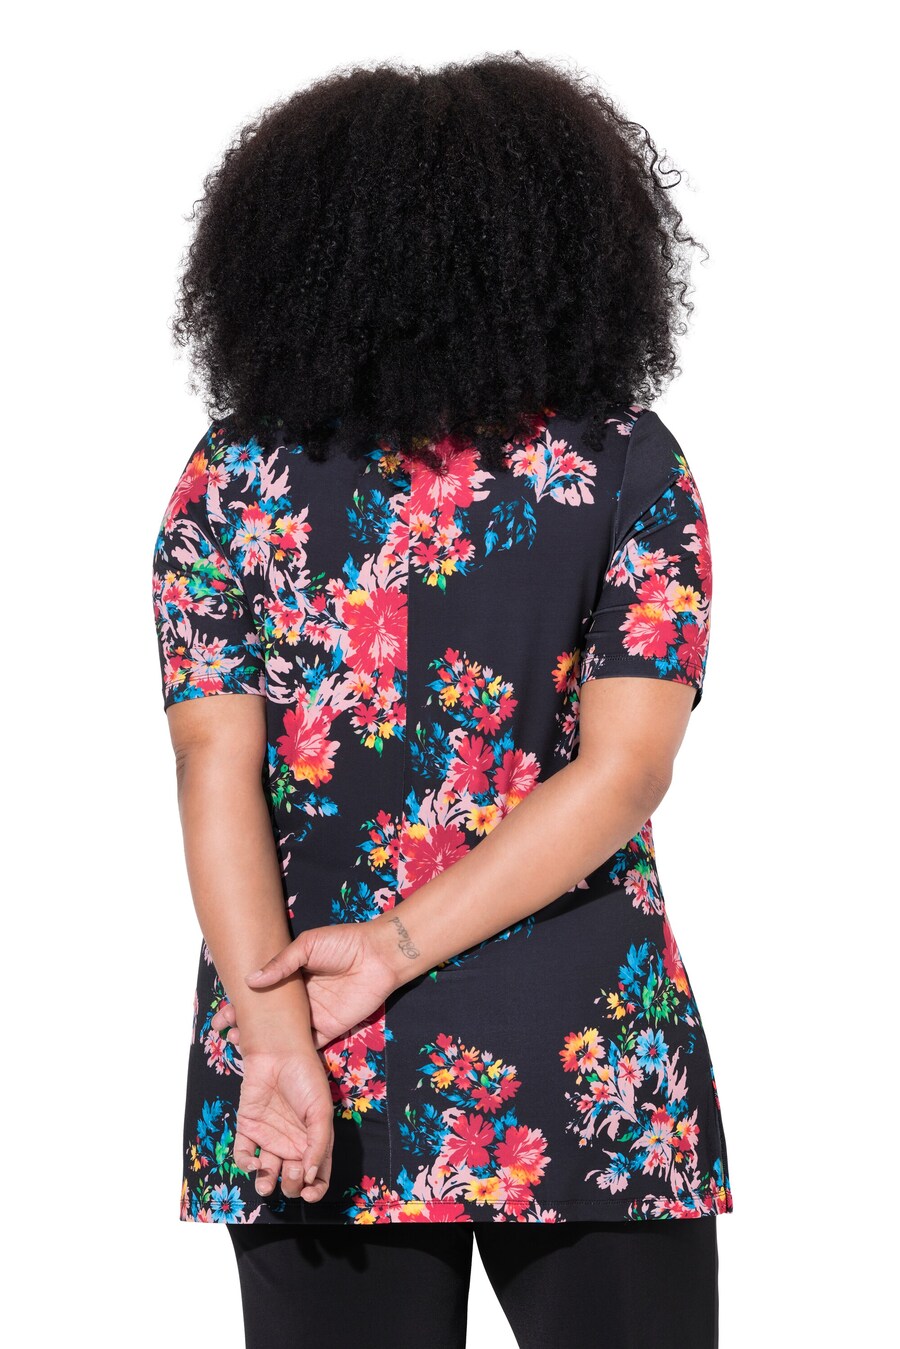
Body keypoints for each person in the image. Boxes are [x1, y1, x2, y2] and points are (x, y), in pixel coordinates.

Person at [151, 51, 731, 1349]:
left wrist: (274, 1035)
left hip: (308, 1040)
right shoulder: (625, 465)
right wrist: (401, 948)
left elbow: (212, 769)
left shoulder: (232, 478)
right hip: (583, 1051)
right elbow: (626, 770)